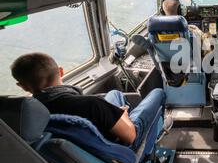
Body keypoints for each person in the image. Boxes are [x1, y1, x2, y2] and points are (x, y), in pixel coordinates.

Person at [10, 53, 166, 150]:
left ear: (22, 86)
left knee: (114, 93)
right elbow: (131, 136)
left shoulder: (30, 116)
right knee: (158, 93)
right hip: (119, 144)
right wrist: (123, 115)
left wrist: (113, 112)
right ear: (61, 71)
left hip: (92, 142)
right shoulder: (90, 104)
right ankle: (156, 128)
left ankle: (118, 116)